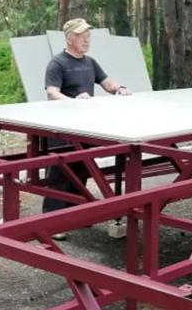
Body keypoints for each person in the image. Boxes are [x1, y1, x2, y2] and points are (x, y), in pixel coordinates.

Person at [42, 18, 131, 238]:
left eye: (88, 36)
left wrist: (119, 88)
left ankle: (76, 216)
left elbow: (106, 82)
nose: (87, 40)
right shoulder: (57, 63)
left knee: (82, 170)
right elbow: (52, 92)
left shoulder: (90, 62)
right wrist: (73, 102)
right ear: (70, 39)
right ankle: (52, 223)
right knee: (60, 174)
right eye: (82, 37)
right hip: (61, 129)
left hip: (84, 127)